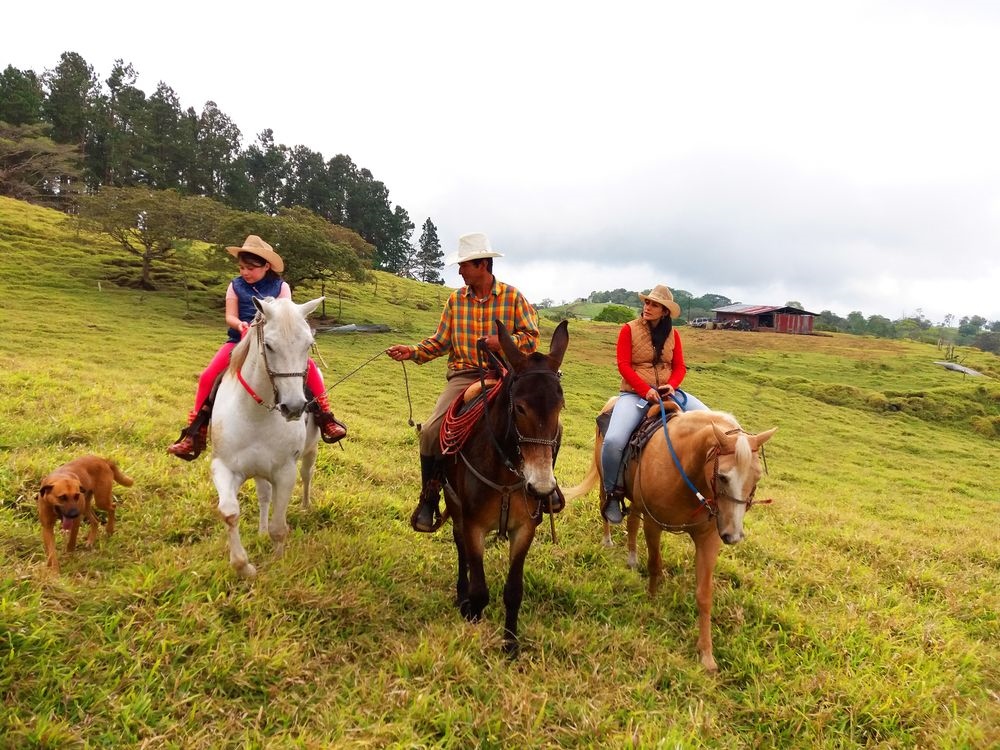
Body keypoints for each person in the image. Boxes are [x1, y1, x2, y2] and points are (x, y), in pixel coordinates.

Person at [386, 232, 540, 532]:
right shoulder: (456, 300)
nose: (459, 271)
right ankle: (430, 496)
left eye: (464, 265)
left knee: (546, 425)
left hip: (506, 375)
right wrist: (412, 351)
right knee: (431, 431)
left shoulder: (512, 297)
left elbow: (532, 338)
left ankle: (544, 492)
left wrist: (503, 342)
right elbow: (441, 341)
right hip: (466, 374)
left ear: (482, 264)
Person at [167, 235, 346, 460]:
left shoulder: (282, 287)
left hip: (274, 343)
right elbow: (230, 316)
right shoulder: (235, 286)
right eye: (242, 267)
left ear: (266, 266)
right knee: (208, 376)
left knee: (309, 368)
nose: (245, 272)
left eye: (251, 268)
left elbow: (285, 318)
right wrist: (240, 324)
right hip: (238, 341)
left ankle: (326, 417)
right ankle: (195, 432)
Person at [601, 283, 709, 524]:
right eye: (647, 302)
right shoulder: (628, 329)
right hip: (634, 394)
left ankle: (709, 490)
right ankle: (612, 494)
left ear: (665, 311)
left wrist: (672, 385)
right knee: (613, 441)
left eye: (654, 305)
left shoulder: (674, 335)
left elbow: (680, 366)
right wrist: (645, 390)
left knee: (712, 422)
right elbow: (623, 365)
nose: (647, 307)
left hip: (669, 393)